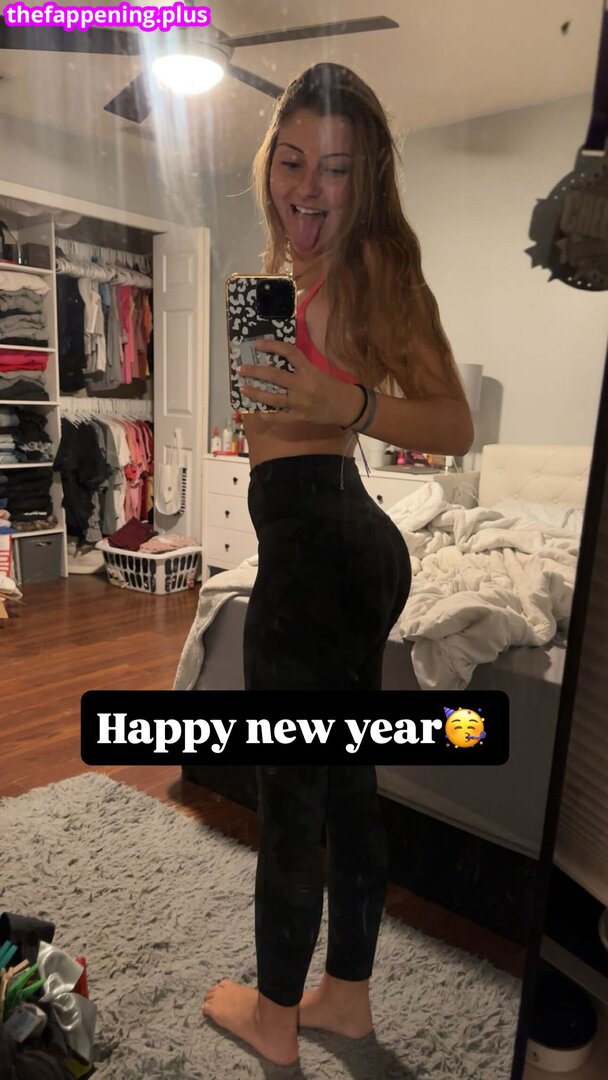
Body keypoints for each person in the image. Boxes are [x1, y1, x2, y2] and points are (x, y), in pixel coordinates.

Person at [202, 62, 473, 1066]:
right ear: (267, 165)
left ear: (367, 180)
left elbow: (453, 424)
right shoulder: (282, 281)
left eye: (335, 168)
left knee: (291, 797)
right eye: (290, 161)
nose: (307, 188)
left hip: (322, 553)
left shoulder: (374, 273)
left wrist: (345, 403)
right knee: (348, 786)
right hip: (336, 547)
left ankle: (274, 1018)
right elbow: (266, 428)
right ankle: (344, 1002)